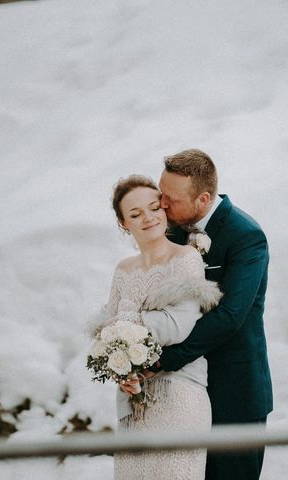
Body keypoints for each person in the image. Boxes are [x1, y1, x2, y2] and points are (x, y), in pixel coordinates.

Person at [154, 149, 274, 480]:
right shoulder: (172, 229)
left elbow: (231, 315)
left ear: (204, 198)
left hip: (234, 392)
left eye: (171, 199)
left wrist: (167, 358)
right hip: (181, 395)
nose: (162, 205)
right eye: (160, 193)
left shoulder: (246, 236)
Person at [100, 174, 222, 480]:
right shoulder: (123, 270)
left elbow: (178, 325)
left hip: (178, 392)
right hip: (132, 403)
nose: (148, 218)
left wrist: (125, 321)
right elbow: (108, 333)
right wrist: (121, 370)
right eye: (135, 214)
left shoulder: (186, 258)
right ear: (123, 223)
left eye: (154, 208)